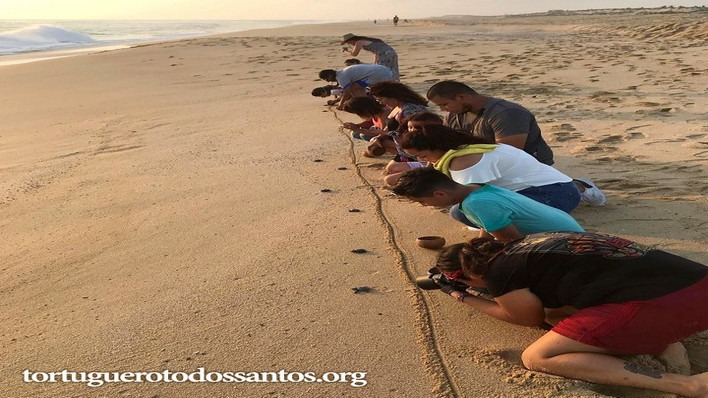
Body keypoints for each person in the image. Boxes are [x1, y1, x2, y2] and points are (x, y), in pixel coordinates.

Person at [433, 232, 708, 397]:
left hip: (661, 304)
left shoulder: (499, 272)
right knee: (558, 316)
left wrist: (462, 296)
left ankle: (688, 385)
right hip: (696, 287)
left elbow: (525, 317)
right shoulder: (528, 243)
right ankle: (664, 341)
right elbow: (549, 312)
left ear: (469, 276)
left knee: (537, 356)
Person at [426, 80, 606, 206]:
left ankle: (580, 187)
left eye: (444, 104)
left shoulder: (506, 113)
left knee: (511, 201)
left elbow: (510, 151)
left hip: (526, 164)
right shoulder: (455, 115)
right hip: (484, 162)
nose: (442, 110)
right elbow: (448, 144)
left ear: (461, 97)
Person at [397, 124, 582, 221]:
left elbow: (477, 201)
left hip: (552, 195)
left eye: (424, 155)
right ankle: (582, 188)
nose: (425, 161)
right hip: (559, 186)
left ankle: (582, 190)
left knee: (461, 212)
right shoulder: (470, 146)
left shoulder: (463, 161)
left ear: (437, 146)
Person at [392, 168, 584, 241]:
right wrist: (479, 243)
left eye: (423, 201)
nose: (425, 205)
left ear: (440, 193)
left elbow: (511, 242)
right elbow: (489, 224)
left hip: (566, 242)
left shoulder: (475, 204)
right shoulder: (475, 188)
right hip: (568, 229)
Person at [368, 82, 430, 183]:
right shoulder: (398, 107)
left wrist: (385, 134)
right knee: (390, 168)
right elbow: (390, 127)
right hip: (403, 147)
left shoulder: (410, 109)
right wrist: (380, 136)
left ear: (392, 96)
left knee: (391, 174)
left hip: (417, 148)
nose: (381, 103)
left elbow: (417, 133)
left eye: (381, 99)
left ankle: (424, 170)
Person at [319, 64, 394, 110]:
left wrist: (341, 104)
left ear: (330, 75)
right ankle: (364, 102)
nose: (327, 81)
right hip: (382, 69)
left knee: (354, 88)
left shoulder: (341, 77)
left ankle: (364, 104)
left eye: (326, 79)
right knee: (355, 87)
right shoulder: (343, 72)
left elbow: (347, 93)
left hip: (377, 74)